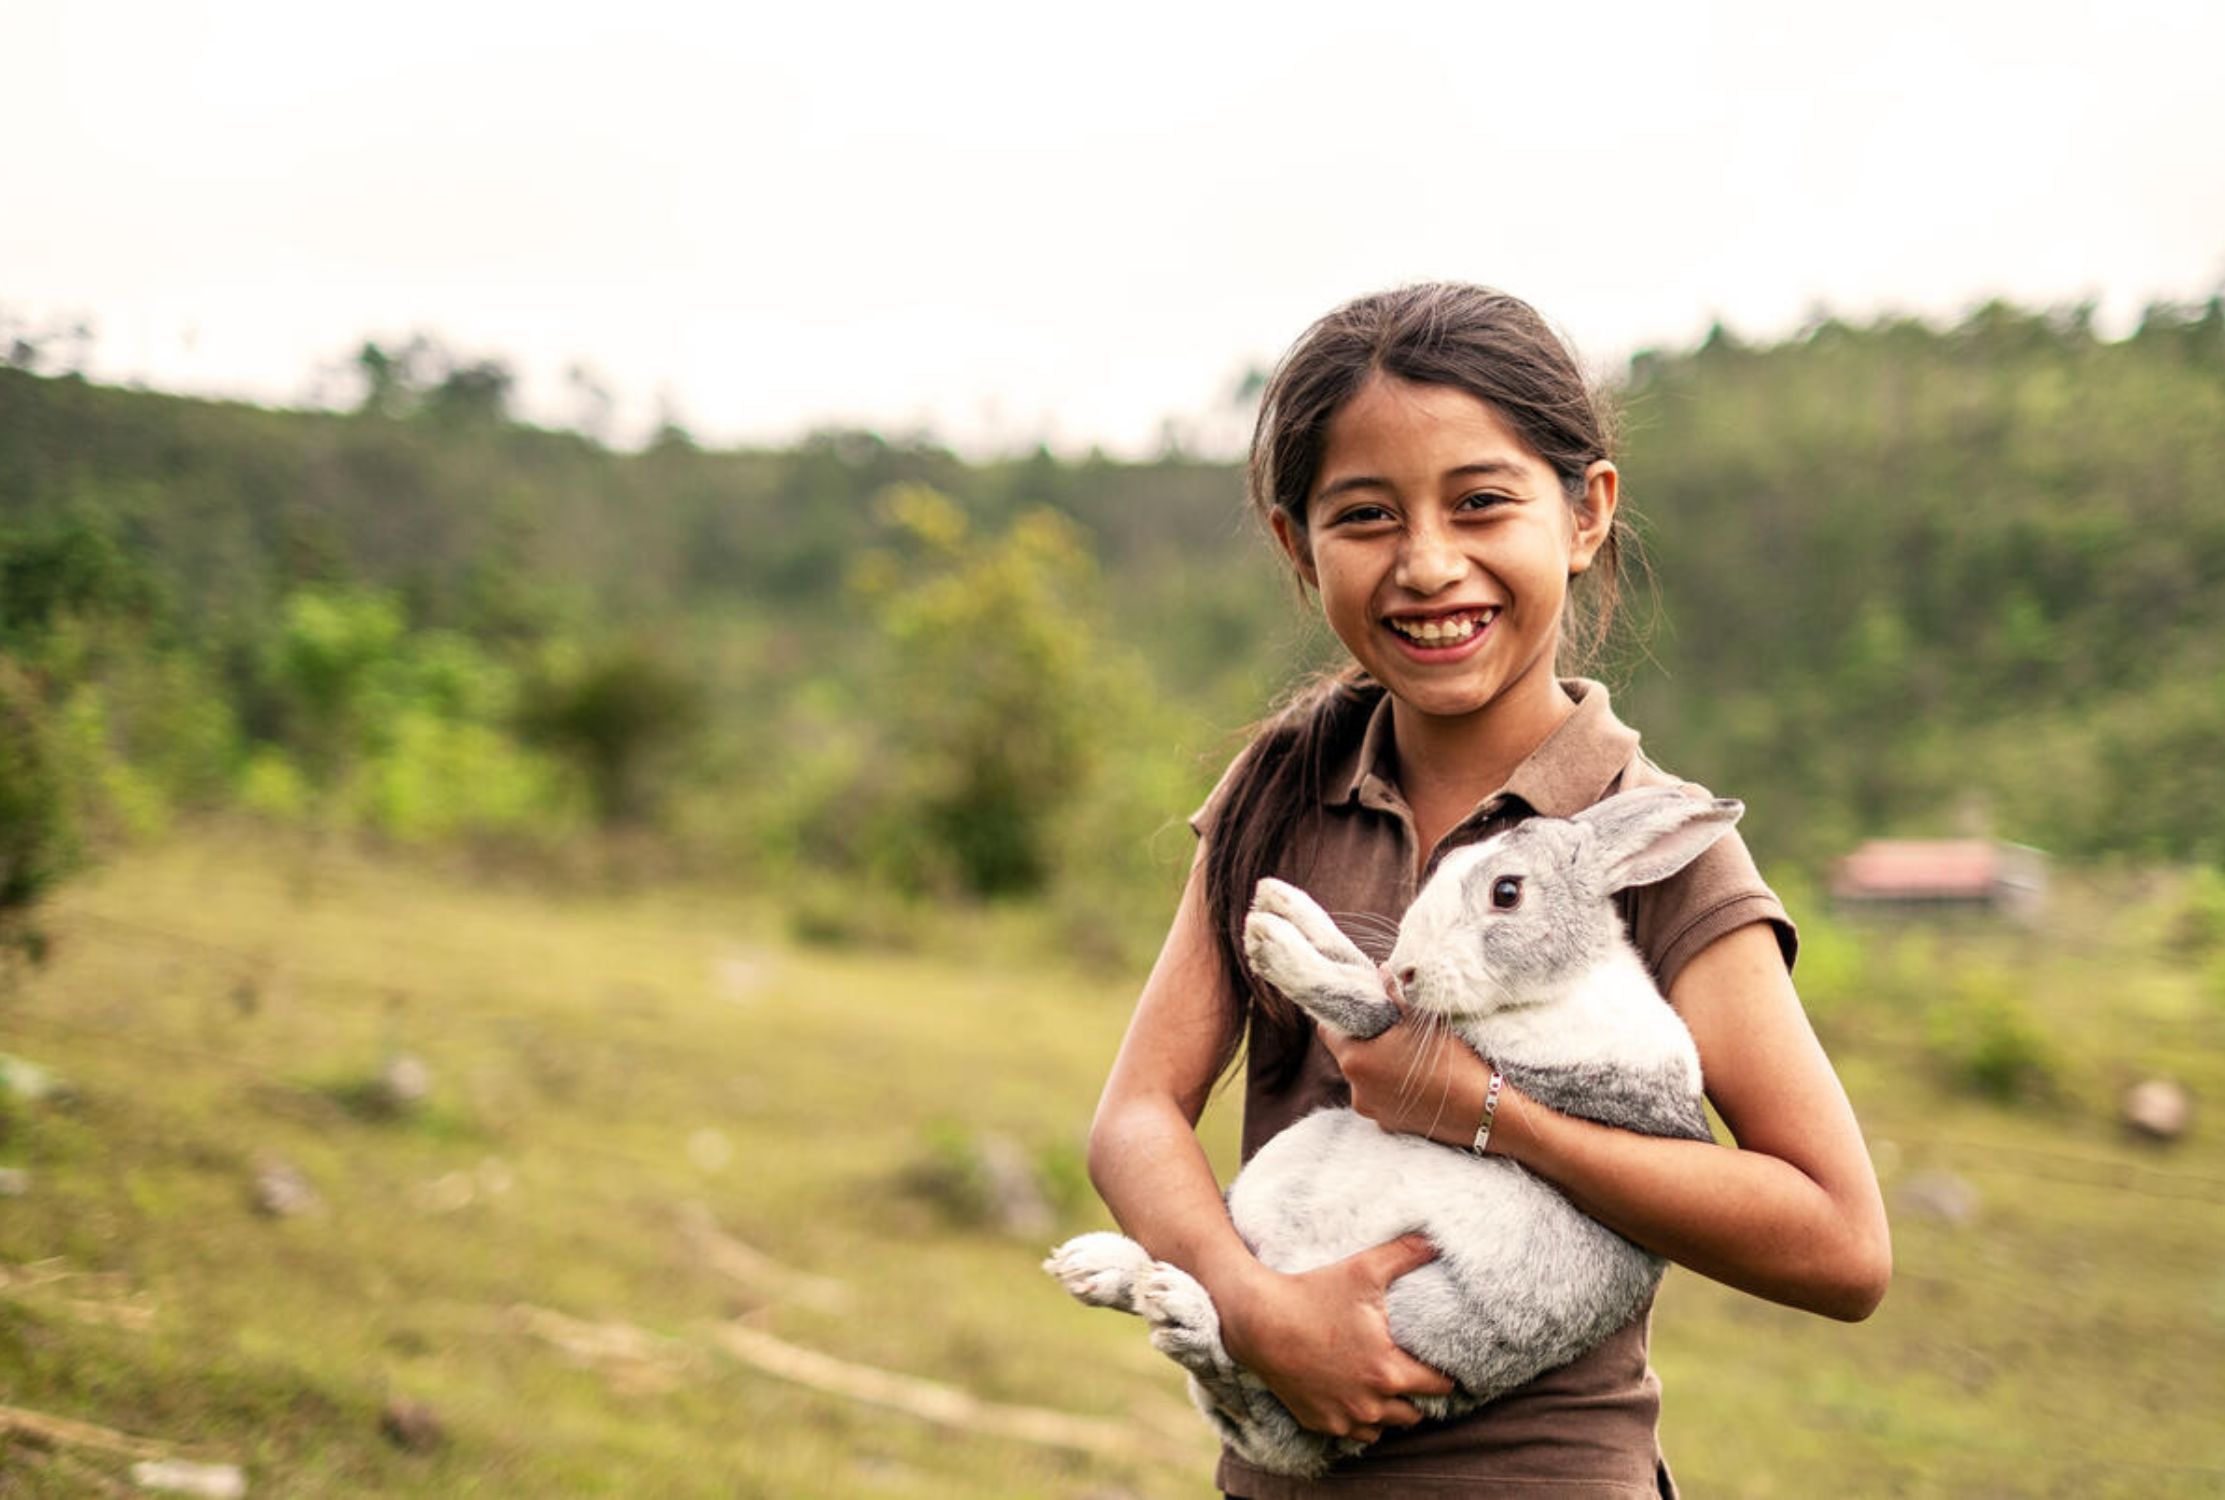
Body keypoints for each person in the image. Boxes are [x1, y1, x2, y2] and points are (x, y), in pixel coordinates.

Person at [1084, 283, 1891, 1498]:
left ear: (1584, 514)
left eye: (1479, 503)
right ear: (1297, 545)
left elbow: (1838, 1242)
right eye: (1364, 515)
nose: (1426, 564)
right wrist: (1255, 1312)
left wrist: (1479, 1108)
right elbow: (1135, 1115)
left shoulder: (1658, 852)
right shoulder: (1280, 791)